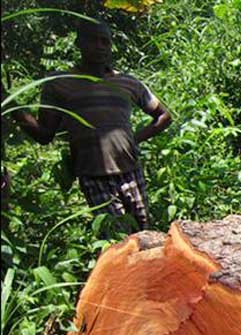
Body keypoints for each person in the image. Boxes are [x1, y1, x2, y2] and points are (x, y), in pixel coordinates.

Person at [5, 19, 171, 231]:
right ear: (79, 44)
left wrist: (133, 139)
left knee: (145, 233)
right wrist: (11, 103)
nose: (100, 46)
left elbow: (164, 115)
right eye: (93, 40)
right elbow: (44, 134)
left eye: (105, 42)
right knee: (117, 240)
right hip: (94, 176)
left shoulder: (128, 82)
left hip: (130, 171)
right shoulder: (60, 83)